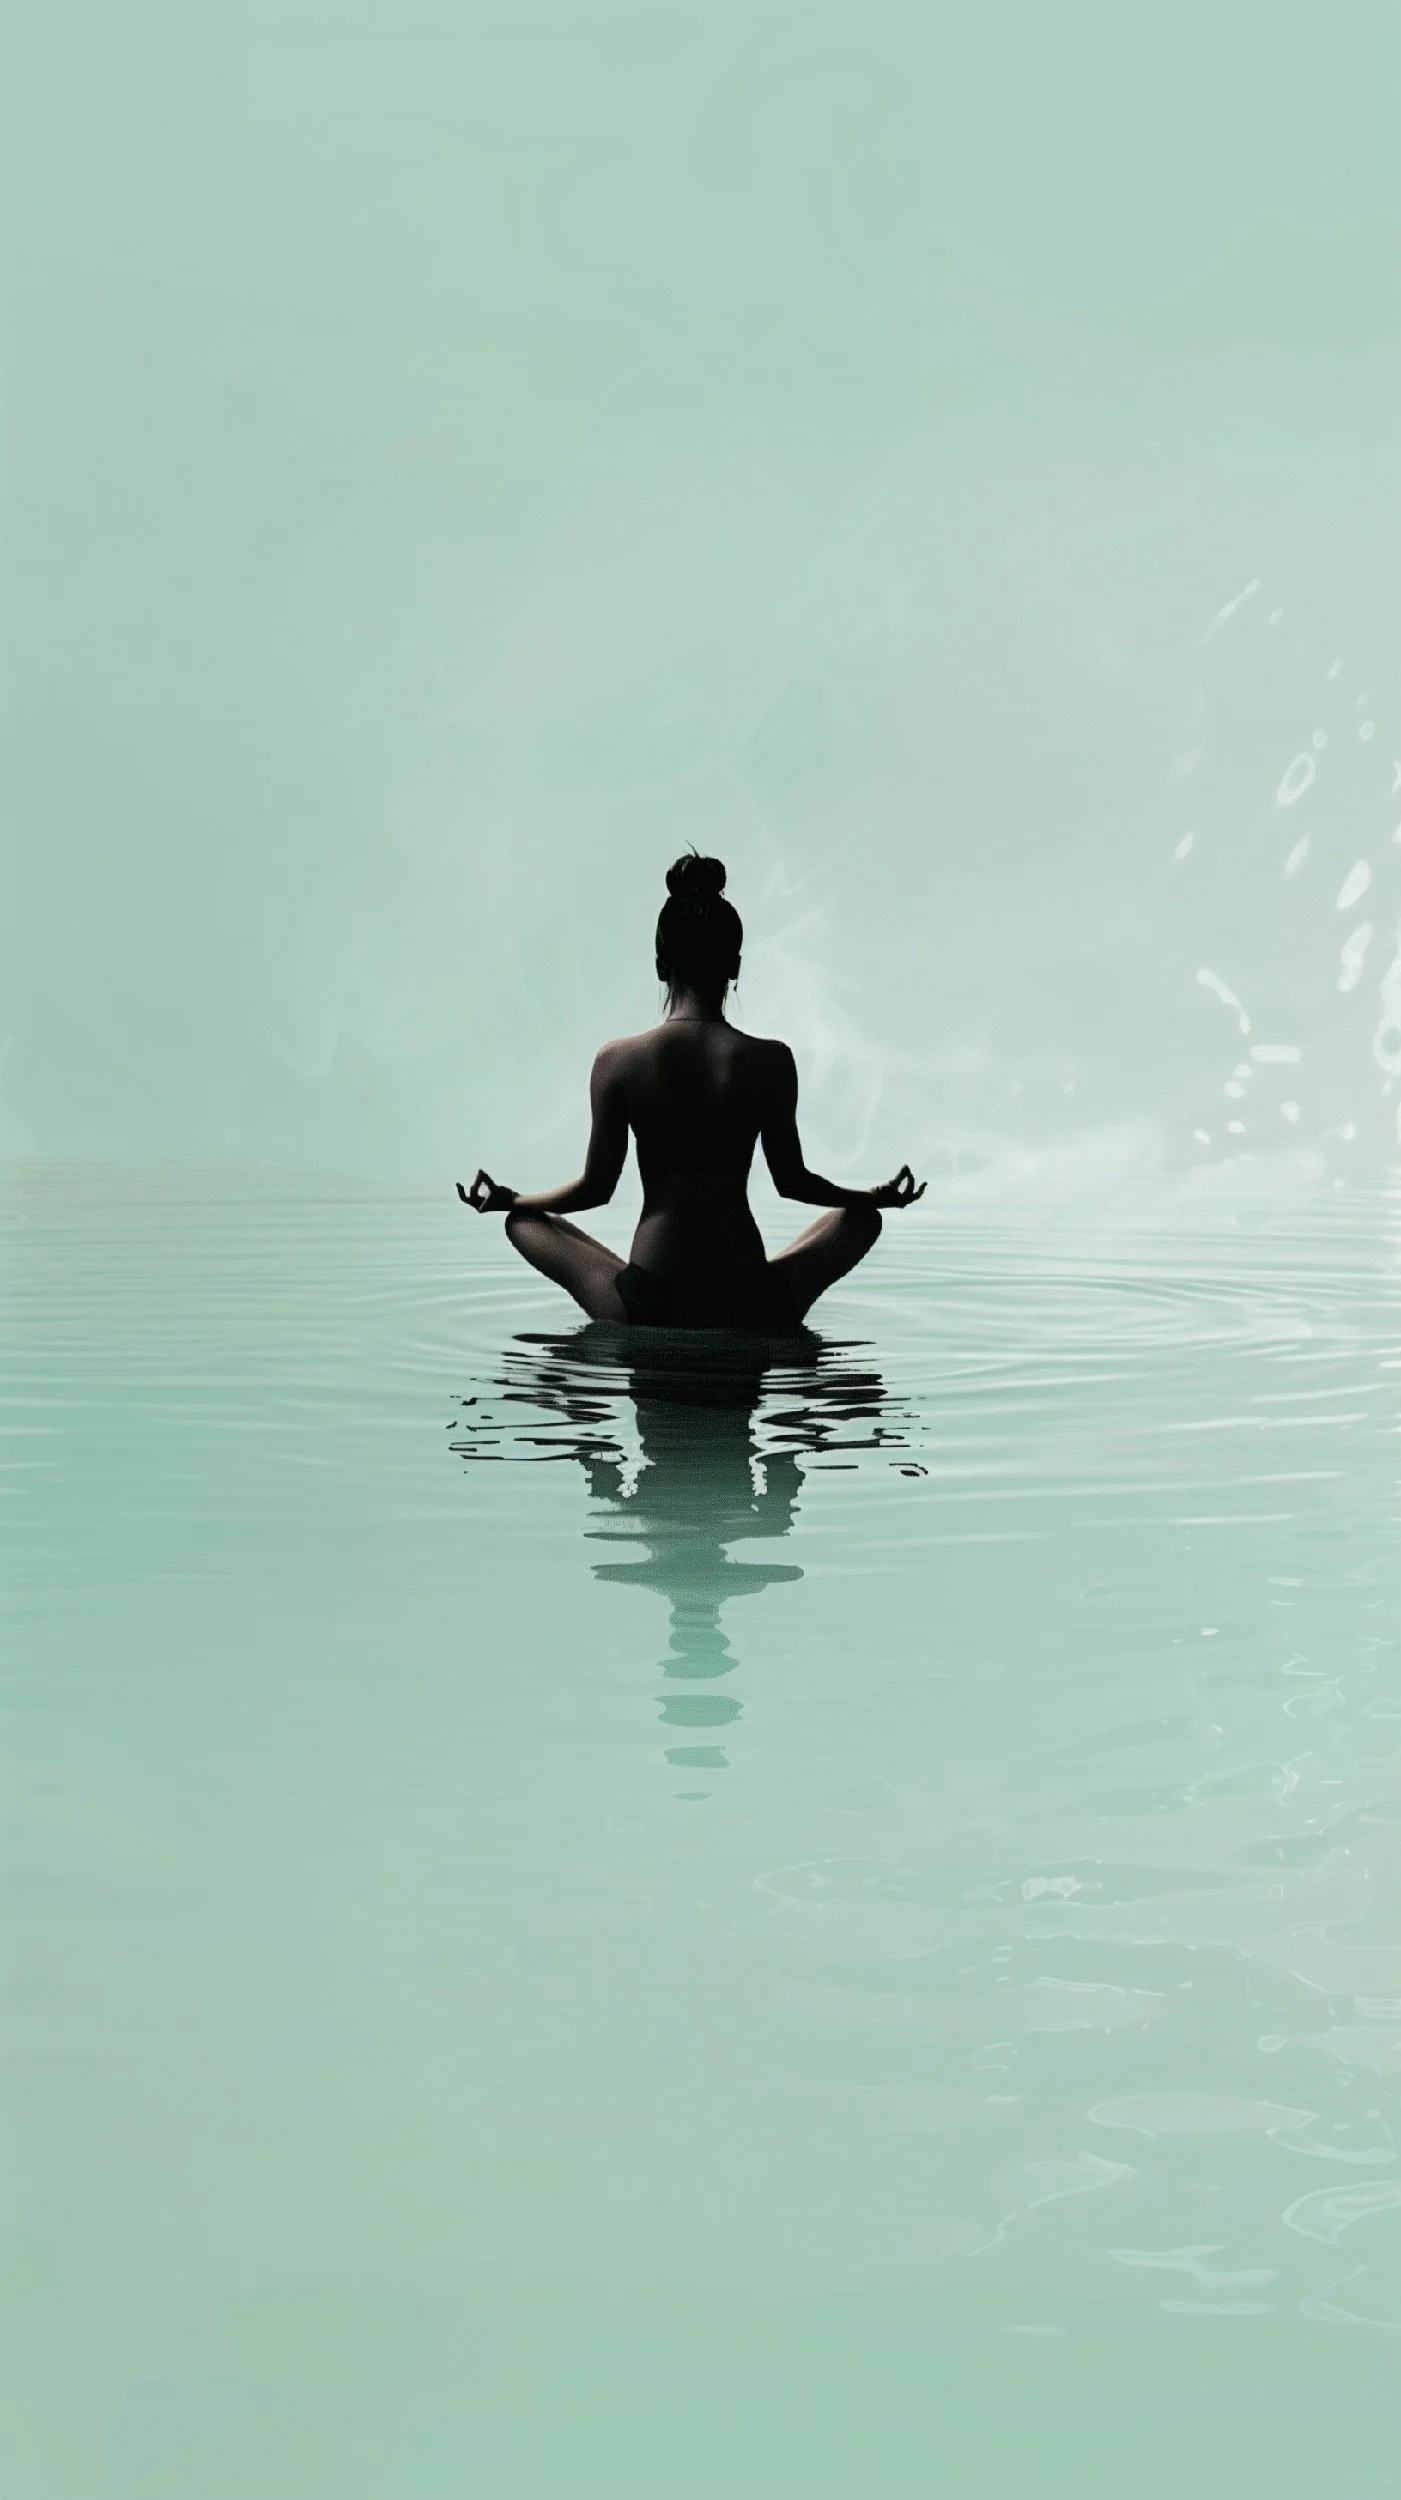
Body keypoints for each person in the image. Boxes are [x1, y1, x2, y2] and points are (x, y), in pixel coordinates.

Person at [459, 852, 925, 1328]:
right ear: (734, 967)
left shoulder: (617, 1060)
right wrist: (874, 1196)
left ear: (661, 966)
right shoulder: (770, 1060)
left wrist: (511, 1199)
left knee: (523, 1221)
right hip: (750, 1298)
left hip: (647, 1301)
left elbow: (594, 1190)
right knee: (862, 1217)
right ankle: (775, 1307)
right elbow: (793, 1183)